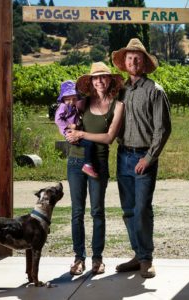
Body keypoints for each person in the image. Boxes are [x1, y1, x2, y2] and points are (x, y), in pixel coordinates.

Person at [111, 38, 172, 278]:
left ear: (144, 63)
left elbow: (163, 129)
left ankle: (147, 258)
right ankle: (137, 255)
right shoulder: (121, 91)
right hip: (123, 155)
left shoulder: (155, 91)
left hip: (143, 158)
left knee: (142, 209)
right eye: (129, 58)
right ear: (124, 63)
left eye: (138, 58)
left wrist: (149, 158)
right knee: (128, 210)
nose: (133, 61)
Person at [65, 62, 124, 275]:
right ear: (91, 82)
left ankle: (97, 258)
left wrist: (81, 134)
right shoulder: (83, 103)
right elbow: (67, 119)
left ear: (110, 80)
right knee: (77, 212)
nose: (99, 81)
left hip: (98, 163)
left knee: (97, 212)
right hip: (75, 162)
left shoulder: (118, 106)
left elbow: (108, 138)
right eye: (95, 77)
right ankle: (78, 258)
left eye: (103, 77)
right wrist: (70, 131)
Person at [55, 80, 98, 178]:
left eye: (74, 99)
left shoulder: (73, 106)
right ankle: (88, 165)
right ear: (63, 99)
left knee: (88, 142)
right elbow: (57, 119)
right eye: (68, 99)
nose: (71, 101)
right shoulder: (63, 106)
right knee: (89, 143)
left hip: (74, 131)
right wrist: (69, 126)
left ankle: (88, 164)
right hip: (69, 132)